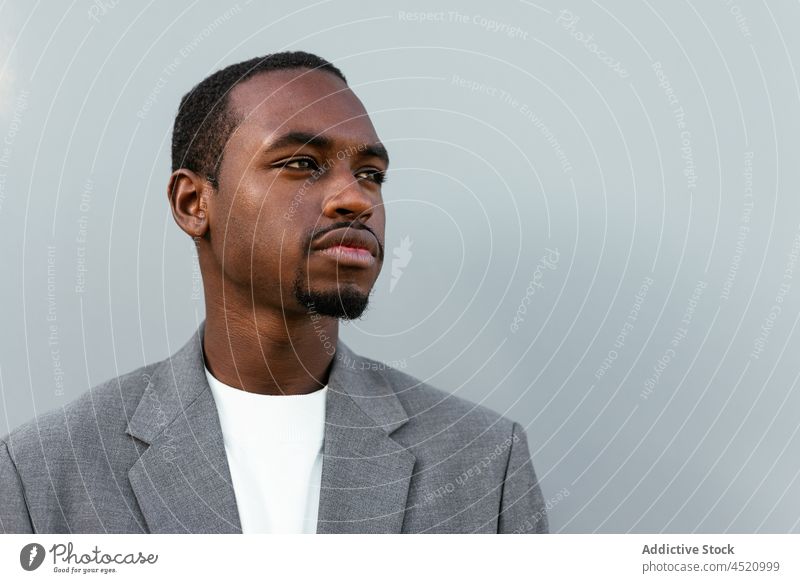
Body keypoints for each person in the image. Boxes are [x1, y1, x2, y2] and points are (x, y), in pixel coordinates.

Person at [0, 51, 549, 534]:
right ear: (194, 203)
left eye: (372, 174)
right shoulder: (45, 471)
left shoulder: (482, 460)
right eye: (302, 164)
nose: (355, 199)